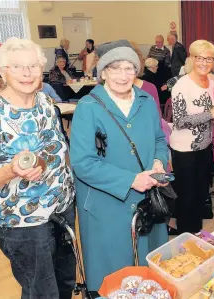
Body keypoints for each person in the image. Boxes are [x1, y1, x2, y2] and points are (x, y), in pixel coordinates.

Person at [69, 40, 169, 292]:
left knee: (148, 271)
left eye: (129, 68)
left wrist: (158, 160)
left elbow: (159, 138)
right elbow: (82, 163)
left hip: (147, 199)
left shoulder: (146, 101)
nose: (123, 76)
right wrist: (130, 180)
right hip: (106, 206)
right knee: (113, 275)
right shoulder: (88, 107)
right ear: (102, 72)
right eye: (115, 68)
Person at [0, 37, 75, 299]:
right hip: (23, 223)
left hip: (61, 209)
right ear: (3, 71)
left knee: (65, 284)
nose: (26, 73)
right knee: (41, 292)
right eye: (16, 66)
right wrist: (11, 171)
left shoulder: (46, 105)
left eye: (33, 66)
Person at [170, 40, 214, 234]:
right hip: (184, 150)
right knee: (187, 197)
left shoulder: (213, 81)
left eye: (209, 59)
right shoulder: (182, 85)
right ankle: (185, 239)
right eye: (200, 58)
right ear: (192, 59)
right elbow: (179, 121)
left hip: (205, 148)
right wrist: (211, 114)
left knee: (200, 195)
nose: (204, 63)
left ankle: (196, 235)